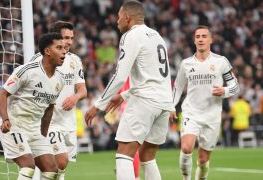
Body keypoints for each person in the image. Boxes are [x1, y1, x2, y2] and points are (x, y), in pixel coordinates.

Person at [85, 1, 174, 179]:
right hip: (164, 102)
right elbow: (156, 77)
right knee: (148, 157)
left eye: (118, 17)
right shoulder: (157, 36)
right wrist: (124, 95)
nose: (117, 21)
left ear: (127, 17)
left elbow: (119, 76)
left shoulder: (131, 36)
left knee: (124, 154)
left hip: (145, 101)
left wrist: (98, 105)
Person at [170, 26, 239, 180]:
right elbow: (178, 86)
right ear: (194, 40)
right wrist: (171, 106)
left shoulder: (221, 62)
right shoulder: (186, 64)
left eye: (204, 36)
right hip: (191, 112)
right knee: (186, 148)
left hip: (212, 116)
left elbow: (235, 86)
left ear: (211, 40)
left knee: (203, 159)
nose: (201, 39)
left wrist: (225, 91)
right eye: (198, 36)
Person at [0, 33, 66, 180]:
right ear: (47, 51)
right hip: (14, 125)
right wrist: (5, 119)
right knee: (28, 167)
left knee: (51, 170)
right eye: (59, 47)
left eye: (64, 48)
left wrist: (43, 135)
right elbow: (3, 94)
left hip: (35, 129)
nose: (64, 51)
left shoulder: (60, 80)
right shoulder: (27, 70)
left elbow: (49, 109)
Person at [30, 21, 87, 180]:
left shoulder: (74, 60)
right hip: (49, 122)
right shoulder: (37, 60)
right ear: (55, 38)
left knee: (59, 168)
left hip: (68, 122)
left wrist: (75, 97)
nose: (69, 42)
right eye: (65, 37)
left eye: (71, 38)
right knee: (60, 162)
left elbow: (83, 90)